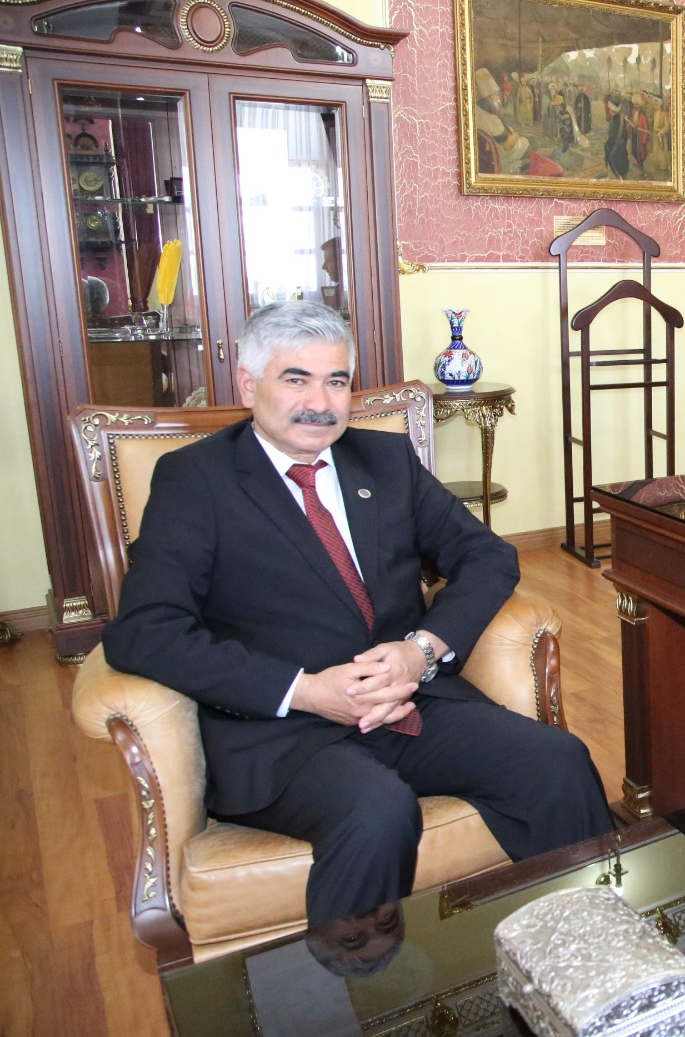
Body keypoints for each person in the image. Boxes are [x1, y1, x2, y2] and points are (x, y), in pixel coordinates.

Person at [102, 301, 613, 924]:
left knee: (557, 761)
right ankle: (364, 980)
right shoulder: (195, 480)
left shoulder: (384, 461)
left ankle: (587, 945)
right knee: (377, 812)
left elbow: (488, 557)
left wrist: (420, 650)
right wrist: (306, 690)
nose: (320, 402)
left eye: (337, 381)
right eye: (296, 379)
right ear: (247, 384)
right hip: (285, 733)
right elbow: (144, 631)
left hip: (410, 700)